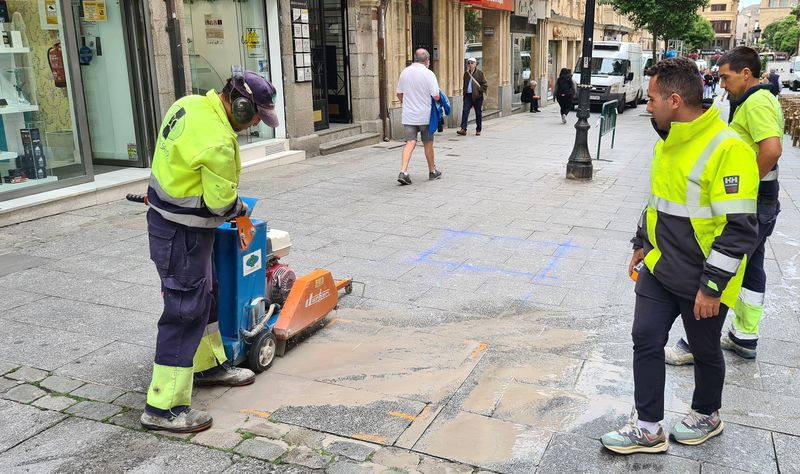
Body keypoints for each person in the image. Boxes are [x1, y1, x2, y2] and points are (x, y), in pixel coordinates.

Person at [600, 57, 759, 454]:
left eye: (652, 97)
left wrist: (711, 286)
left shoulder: (728, 149)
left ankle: (707, 414)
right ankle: (648, 426)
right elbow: (658, 201)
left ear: (674, 100)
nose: (647, 105)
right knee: (645, 339)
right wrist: (641, 242)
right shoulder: (667, 141)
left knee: (704, 350)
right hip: (660, 267)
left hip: (703, 278)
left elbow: (738, 228)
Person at [140, 69, 280, 433]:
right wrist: (239, 210)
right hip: (180, 233)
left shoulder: (188, 104)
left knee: (207, 298)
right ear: (240, 104)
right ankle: (163, 407)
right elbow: (220, 205)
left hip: (177, 224)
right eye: (254, 117)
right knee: (185, 311)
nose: (252, 126)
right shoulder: (217, 141)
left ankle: (206, 365)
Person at [665, 47, 784, 365]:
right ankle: (745, 334)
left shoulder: (756, 102)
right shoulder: (762, 99)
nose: (722, 84)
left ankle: (694, 342)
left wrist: (746, 187)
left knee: (723, 267)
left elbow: (771, 150)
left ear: (746, 74)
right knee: (753, 267)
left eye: (726, 77)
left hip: (754, 201)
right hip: (765, 201)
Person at [395, 48, 442, 185]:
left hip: (409, 115)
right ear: (427, 60)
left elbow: (399, 93)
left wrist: (408, 103)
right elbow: (436, 95)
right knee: (428, 142)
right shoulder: (429, 74)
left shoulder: (404, 72)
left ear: (415, 59)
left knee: (410, 142)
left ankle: (403, 171)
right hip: (425, 115)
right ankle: (432, 171)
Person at [457, 57, 488, 136]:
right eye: (468, 63)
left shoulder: (480, 73)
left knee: (478, 113)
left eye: (472, 63)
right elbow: (464, 85)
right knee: (465, 111)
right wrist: (464, 93)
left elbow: (485, 85)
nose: (470, 65)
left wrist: (479, 92)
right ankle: (463, 129)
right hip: (468, 96)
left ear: (475, 64)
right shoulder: (466, 74)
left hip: (477, 97)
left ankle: (478, 129)